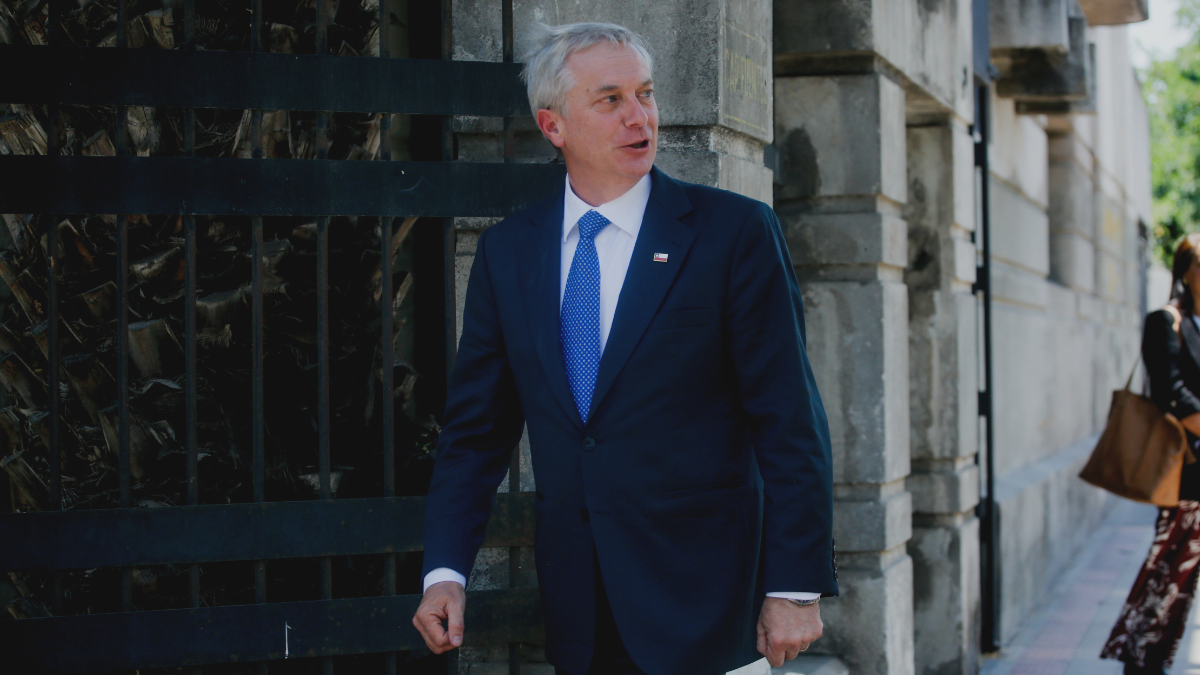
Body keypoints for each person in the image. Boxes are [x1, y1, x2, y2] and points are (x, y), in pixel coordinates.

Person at [411, 22, 837, 675]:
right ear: (553, 126)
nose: (639, 117)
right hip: (581, 614)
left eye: (646, 93)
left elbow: (790, 419)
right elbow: (474, 435)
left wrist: (796, 586)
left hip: (709, 607)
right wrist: (445, 572)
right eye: (610, 99)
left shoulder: (733, 233)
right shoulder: (508, 253)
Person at [1101, 233, 1200, 674]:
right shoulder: (1166, 321)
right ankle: (1141, 658)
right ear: (1186, 272)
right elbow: (1170, 393)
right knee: (1170, 574)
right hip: (1186, 472)